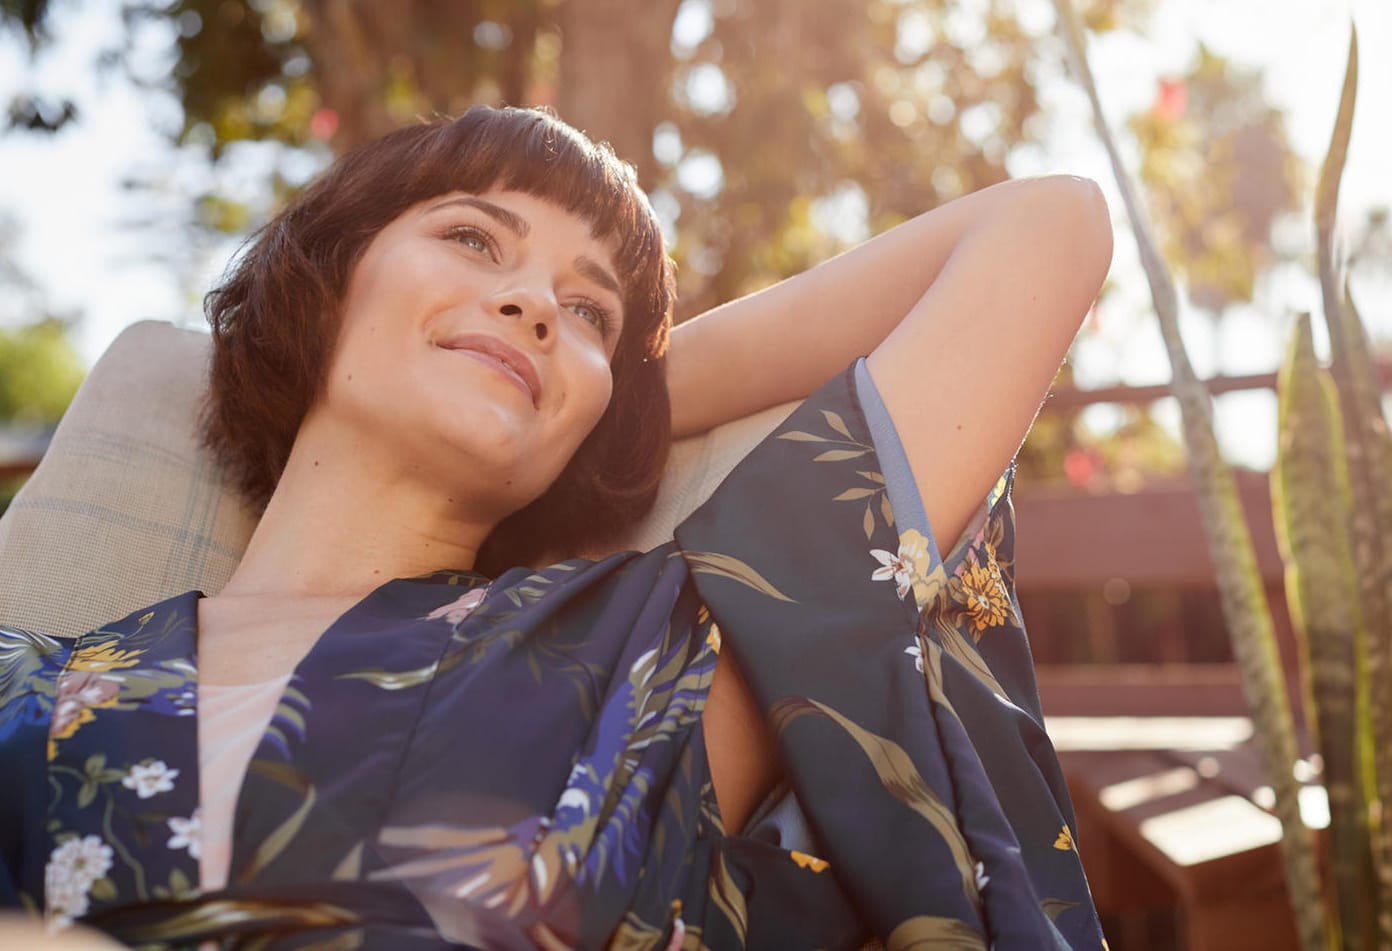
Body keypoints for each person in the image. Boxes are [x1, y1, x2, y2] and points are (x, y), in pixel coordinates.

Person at [0, 105, 1112, 949]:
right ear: (329, 284)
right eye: (476, 241)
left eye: (586, 310)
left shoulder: (649, 649)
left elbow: (1040, 229)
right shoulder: (25, 680)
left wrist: (611, 406)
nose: (535, 302)